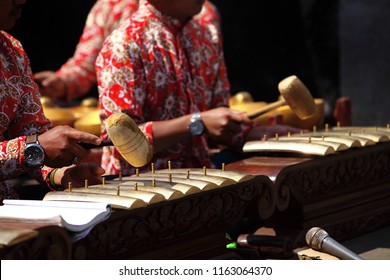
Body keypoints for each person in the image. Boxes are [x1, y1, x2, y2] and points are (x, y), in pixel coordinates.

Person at [96, 0, 300, 175]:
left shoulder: (207, 36)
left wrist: (264, 135)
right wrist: (196, 122)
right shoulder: (124, 44)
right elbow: (119, 143)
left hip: (201, 175)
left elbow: (219, 122)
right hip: (142, 188)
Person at [0, 0, 106, 204]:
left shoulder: (12, 51)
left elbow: (33, 137)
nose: (22, 0)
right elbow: (35, 144)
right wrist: (33, 147)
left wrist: (59, 175)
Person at [33, 0, 220, 103]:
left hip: (196, 152)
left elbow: (213, 81)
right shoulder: (110, 10)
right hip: (139, 157)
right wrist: (62, 82)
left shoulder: (201, 13)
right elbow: (85, 63)